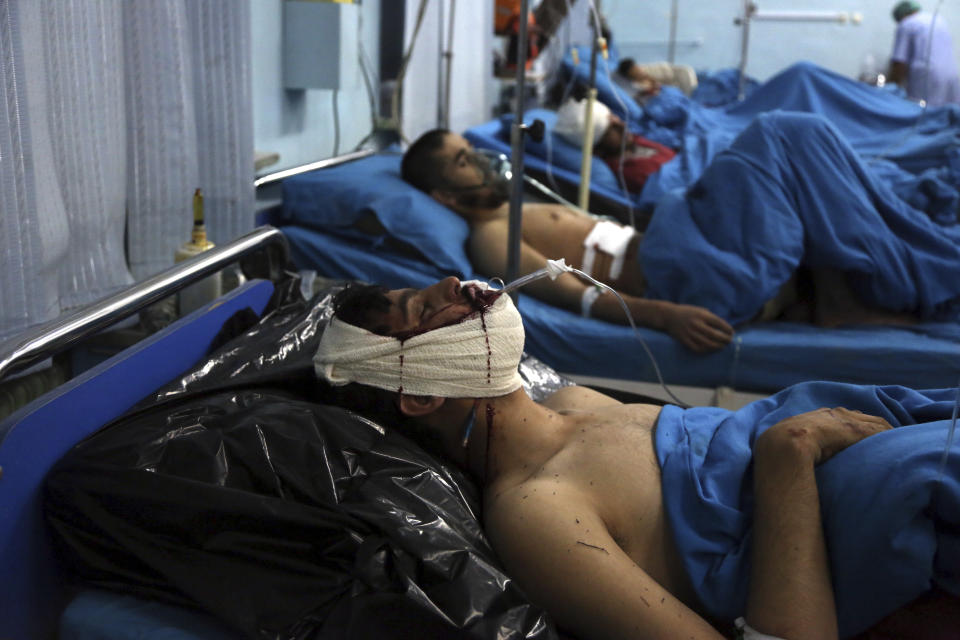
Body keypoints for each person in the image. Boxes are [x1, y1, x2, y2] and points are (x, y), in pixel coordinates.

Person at [315, 277, 960, 640]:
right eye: (429, 309)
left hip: (875, 434)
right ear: (423, 392)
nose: (459, 284)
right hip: (871, 488)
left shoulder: (575, 397)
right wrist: (787, 455)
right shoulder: (536, 509)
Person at [400, 128, 734, 354]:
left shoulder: (516, 209)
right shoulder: (492, 236)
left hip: (684, 244)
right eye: (464, 160)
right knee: (767, 138)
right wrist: (667, 317)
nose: (482, 160)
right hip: (668, 269)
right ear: (444, 196)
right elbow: (583, 298)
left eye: (472, 150)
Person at [552, 96, 675, 194]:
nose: (623, 125)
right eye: (612, 128)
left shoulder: (631, 142)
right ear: (596, 148)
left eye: (616, 119)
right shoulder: (633, 173)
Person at [888, 1, 960, 106]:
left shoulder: (906, 24)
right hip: (952, 76)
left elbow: (899, 62)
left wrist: (889, 91)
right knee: (948, 115)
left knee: (923, 115)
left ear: (901, 16)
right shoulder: (939, 20)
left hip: (927, 78)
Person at [615, 57, 699, 99]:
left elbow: (666, 73)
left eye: (636, 68)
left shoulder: (648, 71)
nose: (638, 72)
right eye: (634, 72)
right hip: (673, 91)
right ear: (629, 75)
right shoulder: (636, 85)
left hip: (683, 76)